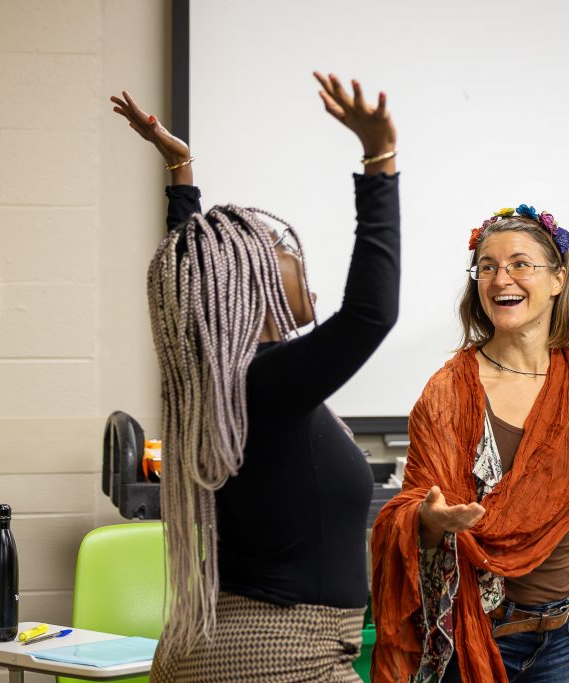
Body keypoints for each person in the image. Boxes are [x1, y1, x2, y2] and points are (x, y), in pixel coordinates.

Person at [110, 72, 399, 682]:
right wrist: (379, 161)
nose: (295, 256)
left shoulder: (217, 388)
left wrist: (181, 170)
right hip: (281, 658)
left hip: (214, 651)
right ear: (250, 285)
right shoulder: (267, 387)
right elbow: (371, 313)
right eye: (279, 248)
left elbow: (191, 274)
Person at [371, 205, 569, 682]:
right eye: (486, 267)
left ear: (558, 279)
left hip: (562, 629)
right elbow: (413, 508)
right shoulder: (450, 390)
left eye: (519, 264)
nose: (500, 279)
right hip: (476, 630)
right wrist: (429, 520)